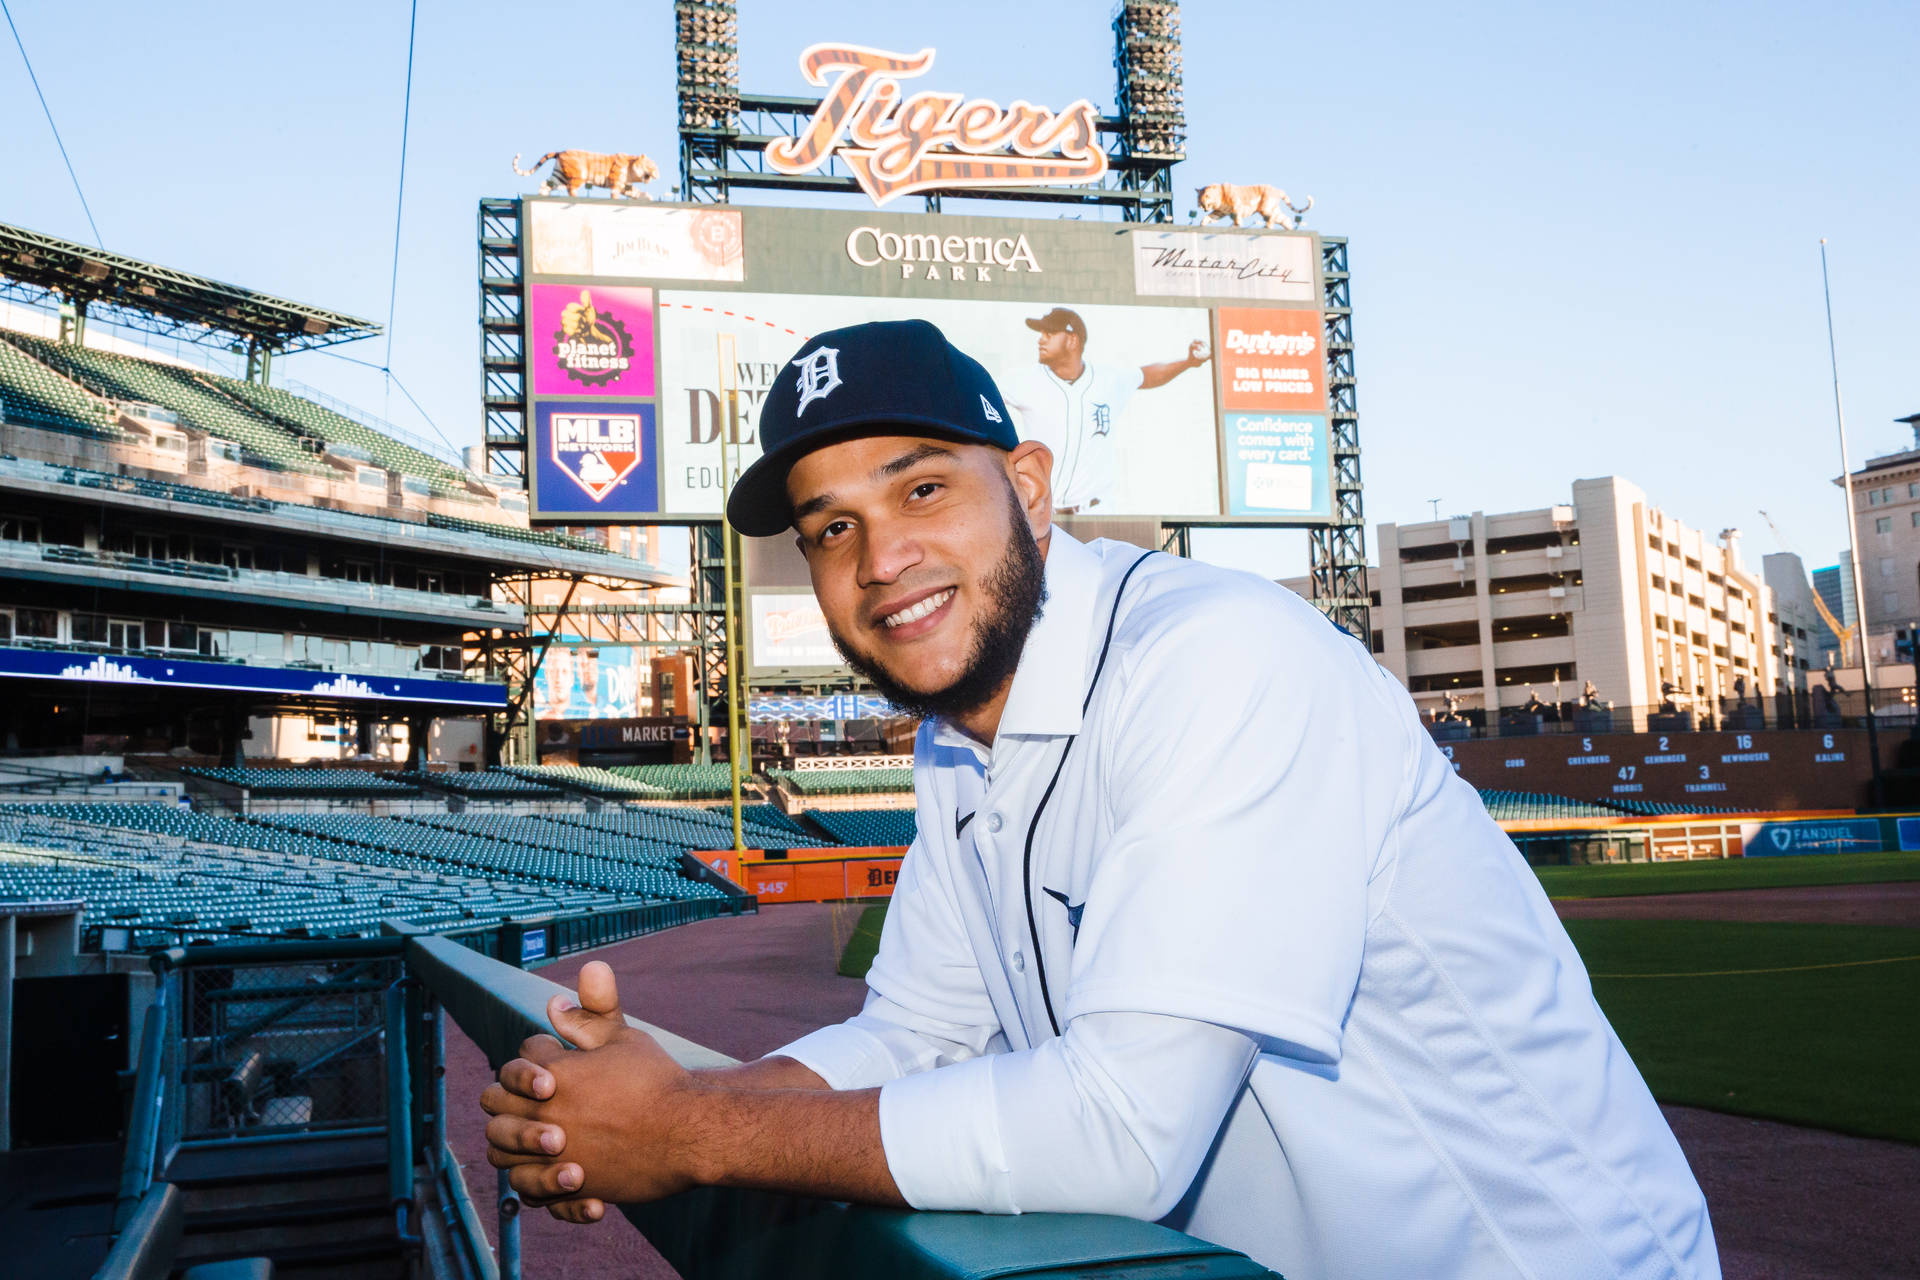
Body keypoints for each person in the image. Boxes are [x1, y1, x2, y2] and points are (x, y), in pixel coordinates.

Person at [480, 319, 1719, 1280]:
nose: (881, 560)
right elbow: (914, 1037)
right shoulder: (958, 739)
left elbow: (1131, 1128)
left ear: (1028, 483)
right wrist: (625, 1115)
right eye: (832, 526)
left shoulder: (1219, 657)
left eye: (922, 490)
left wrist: (689, 1135)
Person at [999, 307, 1209, 515]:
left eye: (1050, 333)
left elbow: (1148, 375)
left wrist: (1188, 363)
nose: (1041, 340)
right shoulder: (1024, 381)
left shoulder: (1107, 379)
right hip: (1042, 512)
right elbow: (984, 397)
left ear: (1072, 340)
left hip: (1096, 512)